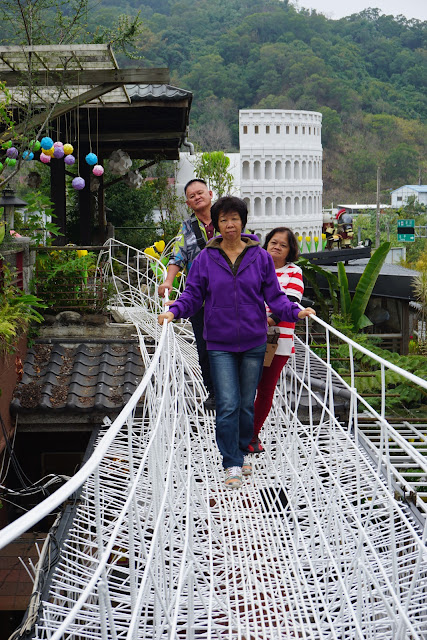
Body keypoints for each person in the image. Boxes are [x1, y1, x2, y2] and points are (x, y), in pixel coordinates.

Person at [158, 197, 315, 489]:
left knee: (245, 404)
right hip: (219, 342)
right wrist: (173, 311)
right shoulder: (206, 258)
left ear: (243, 222)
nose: (230, 225)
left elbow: (275, 297)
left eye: (234, 218)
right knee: (228, 403)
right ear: (216, 225)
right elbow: (193, 295)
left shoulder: (260, 257)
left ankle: (242, 451)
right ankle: (230, 460)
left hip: (254, 341)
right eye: (223, 220)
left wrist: (296, 311)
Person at [158, 178, 216, 410]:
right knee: (204, 345)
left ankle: (235, 391)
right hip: (200, 297)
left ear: (210, 194)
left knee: (232, 342)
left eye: (200, 193)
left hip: (231, 295)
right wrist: (168, 281)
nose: (197, 197)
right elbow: (178, 256)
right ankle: (213, 392)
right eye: (192, 196)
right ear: (188, 203)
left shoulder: (227, 219)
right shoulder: (187, 228)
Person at [249, 227, 304, 453]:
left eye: (283, 245)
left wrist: (266, 321)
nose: (277, 247)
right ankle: (241, 432)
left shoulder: (294, 272)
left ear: (290, 250)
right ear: (266, 243)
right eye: (273, 242)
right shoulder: (254, 266)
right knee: (244, 386)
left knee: (265, 388)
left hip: (276, 339)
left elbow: (290, 302)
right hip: (247, 335)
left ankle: (251, 435)